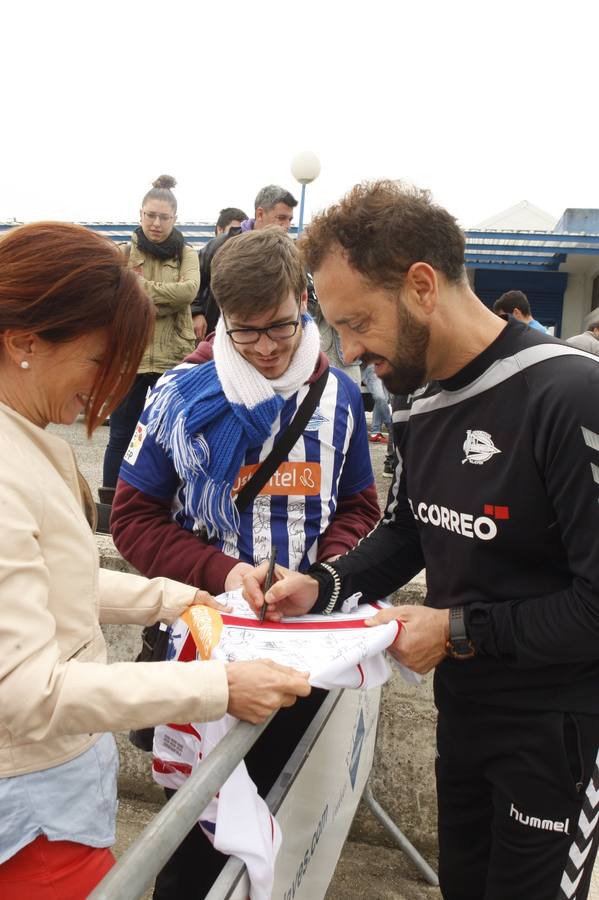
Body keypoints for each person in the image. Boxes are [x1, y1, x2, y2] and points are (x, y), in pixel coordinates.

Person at [244, 181, 599, 900]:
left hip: (560, 731)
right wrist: (321, 582)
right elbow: (409, 528)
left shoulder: (570, 394)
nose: (348, 349)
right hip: (464, 708)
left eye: (357, 321)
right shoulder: (418, 402)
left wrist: (457, 630)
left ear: (421, 285)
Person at [0, 222, 311, 899]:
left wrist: (171, 600)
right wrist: (218, 690)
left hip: (48, 784)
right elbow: (27, 693)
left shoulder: (23, 432)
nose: (112, 390)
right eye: (99, 361)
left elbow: (48, 577)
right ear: (25, 343)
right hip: (30, 800)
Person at [110, 225, 379, 898]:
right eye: (245, 332)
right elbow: (132, 520)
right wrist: (223, 573)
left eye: (281, 327)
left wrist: (321, 574)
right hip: (201, 651)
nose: (264, 348)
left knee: (278, 818)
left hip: (304, 653)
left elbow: (359, 508)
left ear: (303, 299)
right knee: (196, 837)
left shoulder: (340, 397)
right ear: (221, 319)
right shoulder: (178, 394)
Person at [100, 175, 200, 503]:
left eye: (164, 217)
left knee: (172, 435)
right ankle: (111, 503)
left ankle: (167, 505)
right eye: (150, 215)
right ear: (140, 214)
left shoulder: (187, 253)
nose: (156, 223)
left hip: (174, 357)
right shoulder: (123, 252)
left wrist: (142, 291)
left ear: (175, 218)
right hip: (132, 356)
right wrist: (162, 298)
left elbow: (188, 293)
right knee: (122, 434)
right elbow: (120, 296)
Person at [190, 184, 298, 341]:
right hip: (220, 337)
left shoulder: (289, 252)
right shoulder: (223, 244)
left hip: (269, 341)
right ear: (260, 214)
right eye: (281, 218)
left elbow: (303, 294)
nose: (287, 226)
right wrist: (196, 312)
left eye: (290, 219)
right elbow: (195, 278)